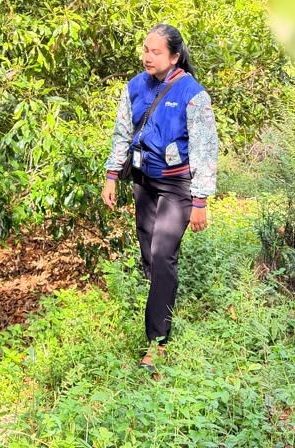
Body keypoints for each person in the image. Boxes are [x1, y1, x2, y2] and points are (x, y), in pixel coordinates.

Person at [100, 24, 218, 373]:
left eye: (155, 51)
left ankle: (157, 342)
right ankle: (162, 298)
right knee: (150, 256)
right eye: (145, 49)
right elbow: (123, 132)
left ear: (174, 56)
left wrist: (200, 201)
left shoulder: (192, 94)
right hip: (144, 181)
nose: (147, 56)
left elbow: (205, 149)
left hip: (177, 186)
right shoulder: (135, 86)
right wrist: (111, 175)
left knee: (163, 254)